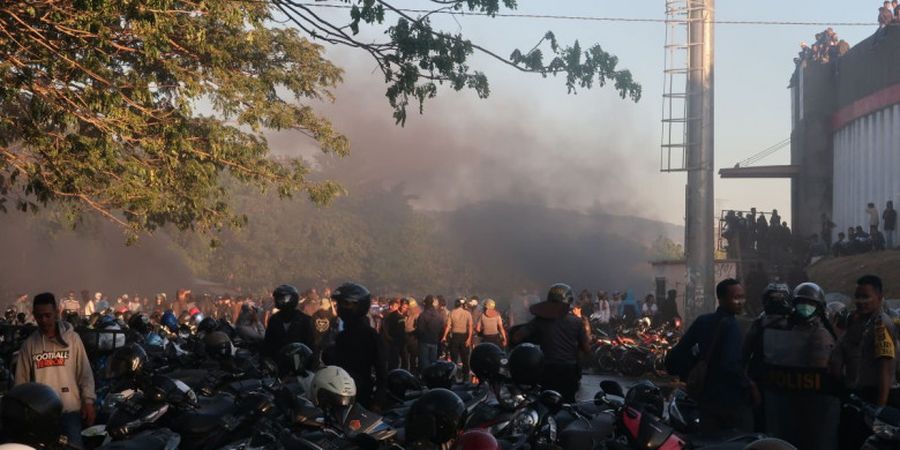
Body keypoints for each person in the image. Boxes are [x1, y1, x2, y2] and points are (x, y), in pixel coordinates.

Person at [755, 283, 839, 450]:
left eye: (810, 304)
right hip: (787, 402)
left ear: (819, 307)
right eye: (801, 303)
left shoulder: (822, 334)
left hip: (815, 405)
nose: (805, 308)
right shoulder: (784, 328)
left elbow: (822, 366)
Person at [665, 279, 754, 432]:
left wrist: (690, 373)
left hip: (704, 399)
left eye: (742, 297)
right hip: (730, 402)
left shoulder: (703, 321)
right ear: (721, 299)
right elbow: (730, 365)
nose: (741, 302)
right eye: (736, 297)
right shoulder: (734, 326)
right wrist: (749, 385)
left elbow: (674, 357)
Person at [14, 293, 95, 448]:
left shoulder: (73, 340)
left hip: (70, 411)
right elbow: (21, 384)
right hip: (41, 415)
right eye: (39, 316)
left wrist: (88, 401)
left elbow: (84, 374)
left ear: (57, 313)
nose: (44, 320)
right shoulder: (29, 346)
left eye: (47, 315)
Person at [831, 275, 898, 449]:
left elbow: (886, 370)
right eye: (858, 296)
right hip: (853, 397)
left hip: (872, 400)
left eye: (866, 297)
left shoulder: (881, 325)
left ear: (879, 297)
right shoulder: (856, 321)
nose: (860, 301)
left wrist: (879, 412)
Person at [510, 283, 589, 403]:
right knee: (568, 407)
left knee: (546, 404)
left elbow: (516, 337)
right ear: (568, 301)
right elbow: (586, 349)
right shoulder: (577, 322)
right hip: (569, 370)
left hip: (547, 369)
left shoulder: (540, 320)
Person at [323, 282, 387, 410]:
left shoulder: (370, 336)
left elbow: (382, 372)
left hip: (361, 396)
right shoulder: (340, 334)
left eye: (345, 304)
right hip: (337, 394)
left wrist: (378, 402)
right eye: (339, 304)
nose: (340, 307)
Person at [263, 284, 315, 358]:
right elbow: (268, 344)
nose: (279, 301)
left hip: (300, 362)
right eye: (278, 298)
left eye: (282, 299)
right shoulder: (274, 320)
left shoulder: (305, 320)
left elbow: (311, 346)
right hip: (278, 362)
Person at [442, 297, 473, 381]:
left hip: (455, 337)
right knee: (465, 358)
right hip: (464, 336)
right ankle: (466, 377)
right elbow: (470, 327)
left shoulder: (452, 312)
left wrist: (444, 336)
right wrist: (469, 338)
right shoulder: (467, 313)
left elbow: (448, 326)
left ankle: (453, 376)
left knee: (454, 358)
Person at [415, 295, 445, 370]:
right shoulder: (438, 315)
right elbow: (442, 329)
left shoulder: (423, 315)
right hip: (435, 341)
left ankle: (425, 378)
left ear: (425, 303)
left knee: (424, 362)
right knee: (433, 362)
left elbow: (420, 330)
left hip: (424, 341)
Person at [382, 298, 407, 371]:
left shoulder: (403, 315)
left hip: (401, 340)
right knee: (393, 359)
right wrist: (388, 337)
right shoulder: (390, 315)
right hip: (393, 340)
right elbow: (385, 326)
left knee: (403, 359)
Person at [404, 297, 420, 373]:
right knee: (408, 357)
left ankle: (411, 371)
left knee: (412, 357)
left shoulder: (417, 314)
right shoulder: (406, 313)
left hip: (413, 336)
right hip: (408, 337)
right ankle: (409, 370)